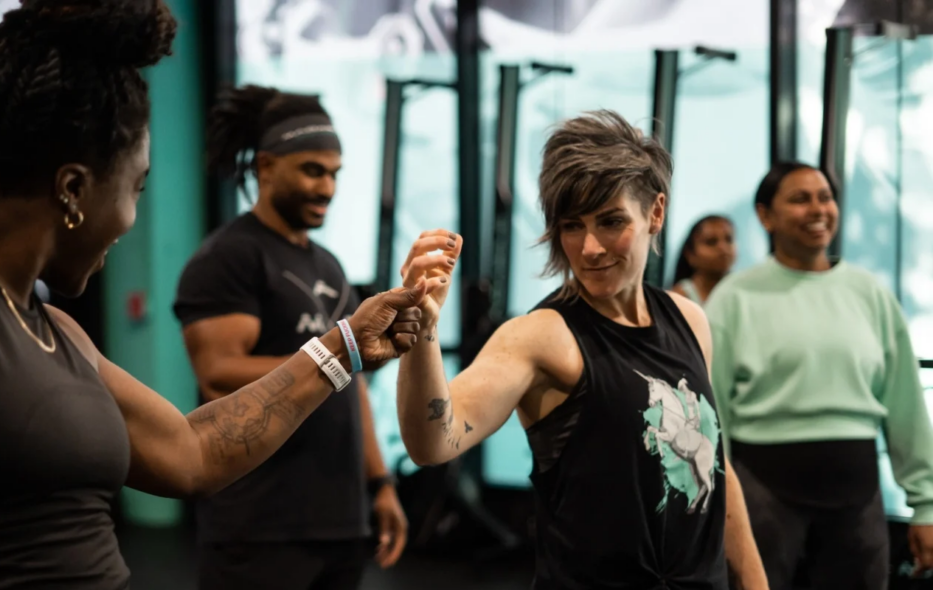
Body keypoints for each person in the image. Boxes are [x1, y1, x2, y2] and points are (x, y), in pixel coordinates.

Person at [0, 3, 429, 588]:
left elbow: (193, 453)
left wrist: (345, 347)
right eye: (136, 188)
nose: (132, 217)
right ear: (74, 190)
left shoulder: (54, 330)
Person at [394, 110, 768, 589]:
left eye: (611, 221)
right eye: (573, 226)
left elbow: (715, 468)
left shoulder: (689, 320)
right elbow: (431, 443)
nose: (590, 248)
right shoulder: (541, 336)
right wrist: (423, 330)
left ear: (655, 212)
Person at [172, 85, 408, 590]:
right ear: (266, 167)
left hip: (339, 520)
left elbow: (350, 383)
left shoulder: (329, 266)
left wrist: (380, 483)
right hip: (259, 526)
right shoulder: (230, 258)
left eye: (335, 174)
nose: (327, 188)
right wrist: (340, 355)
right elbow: (218, 374)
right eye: (312, 171)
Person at [705, 161, 933, 589]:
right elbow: (713, 414)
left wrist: (926, 505)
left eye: (825, 198)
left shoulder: (870, 293)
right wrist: (717, 507)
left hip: (856, 493)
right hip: (763, 491)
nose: (817, 209)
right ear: (765, 216)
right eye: (800, 199)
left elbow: (906, 406)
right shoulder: (733, 298)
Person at [669, 215, 735, 305]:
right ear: (690, 254)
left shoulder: (741, 289)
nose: (723, 248)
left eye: (729, 239)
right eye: (711, 242)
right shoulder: (679, 297)